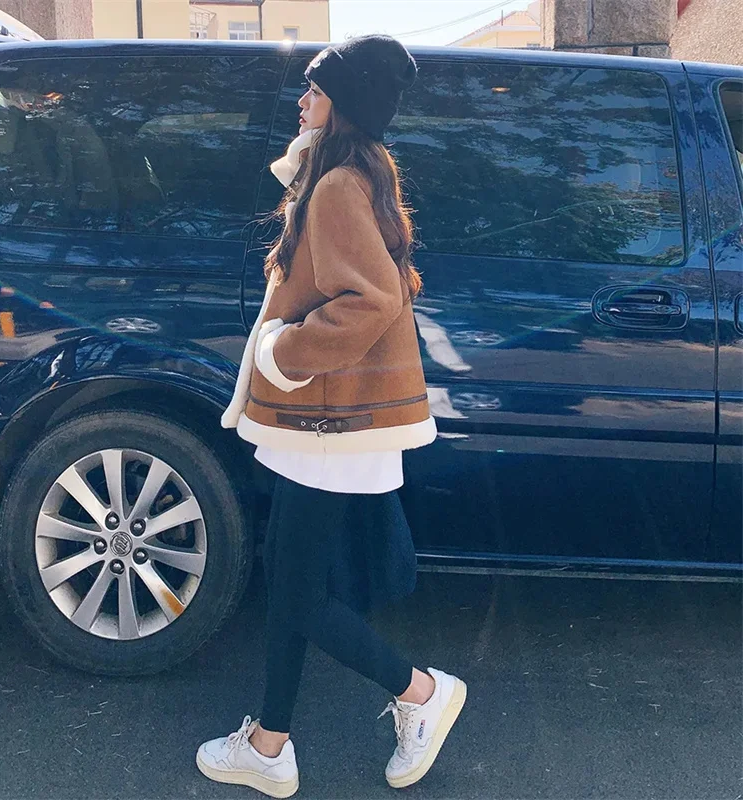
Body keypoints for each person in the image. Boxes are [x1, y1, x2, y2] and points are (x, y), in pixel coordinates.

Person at [195, 35, 467, 798]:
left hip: (328, 421)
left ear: (342, 103)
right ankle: (270, 744)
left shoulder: (339, 185)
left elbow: (372, 300)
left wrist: (284, 351)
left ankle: (420, 692)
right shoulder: (346, 176)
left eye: (314, 89)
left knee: (296, 591)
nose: (301, 99)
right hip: (323, 423)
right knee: (291, 577)